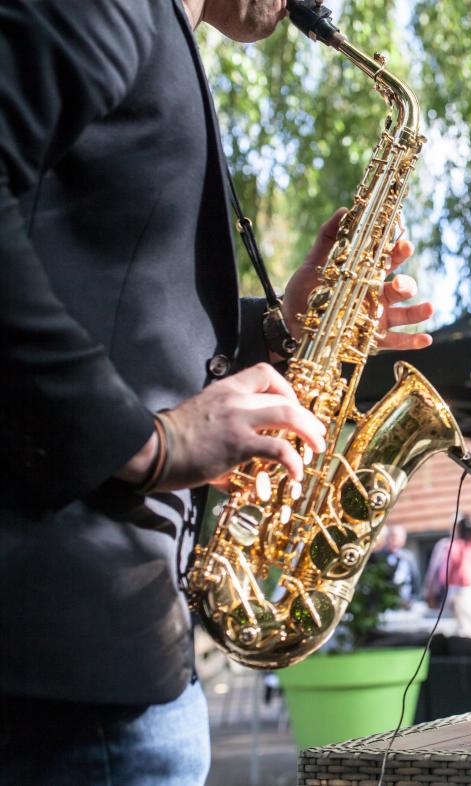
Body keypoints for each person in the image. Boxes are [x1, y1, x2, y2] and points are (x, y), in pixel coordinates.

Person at [0, 2, 433, 783]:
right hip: (68, 656)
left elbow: (103, 292)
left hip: (102, 652)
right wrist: (148, 444)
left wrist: (284, 326)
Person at [424, 516, 471, 639]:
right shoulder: (463, 547)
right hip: (463, 593)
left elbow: (445, 575)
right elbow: (446, 574)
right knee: (467, 630)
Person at [374, 522, 421, 605]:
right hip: (383, 603)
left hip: (404, 603)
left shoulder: (408, 557)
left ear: (403, 540)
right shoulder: (378, 556)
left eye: (397, 537)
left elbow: (415, 579)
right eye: (392, 536)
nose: (394, 539)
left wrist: (413, 599)